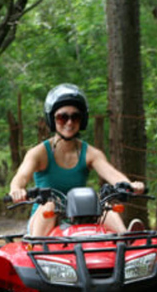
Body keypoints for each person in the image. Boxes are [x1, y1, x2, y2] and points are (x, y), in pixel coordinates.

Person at [8, 83, 145, 236]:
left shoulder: (90, 153)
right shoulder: (39, 153)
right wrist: (16, 191)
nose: (69, 122)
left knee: (102, 203)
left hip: (81, 217)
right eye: (62, 117)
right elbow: (21, 177)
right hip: (45, 217)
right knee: (50, 204)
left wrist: (129, 185)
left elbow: (112, 174)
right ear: (52, 119)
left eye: (76, 117)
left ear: (83, 120)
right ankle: (37, 246)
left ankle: (125, 237)